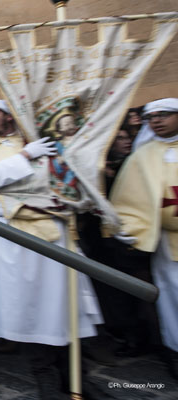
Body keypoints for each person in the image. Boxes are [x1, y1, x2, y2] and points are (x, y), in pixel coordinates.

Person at [0, 100, 103, 398]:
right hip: (15, 238)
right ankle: (46, 380)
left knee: (64, 304)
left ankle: (77, 378)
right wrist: (27, 156)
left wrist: (14, 175)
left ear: (8, 115)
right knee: (29, 307)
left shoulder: (39, 139)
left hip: (53, 230)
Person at [110, 98, 178, 378]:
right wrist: (128, 229)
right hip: (166, 242)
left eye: (164, 115)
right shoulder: (142, 156)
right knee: (172, 297)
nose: (157, 121)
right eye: (152, 117)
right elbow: (129, 200)